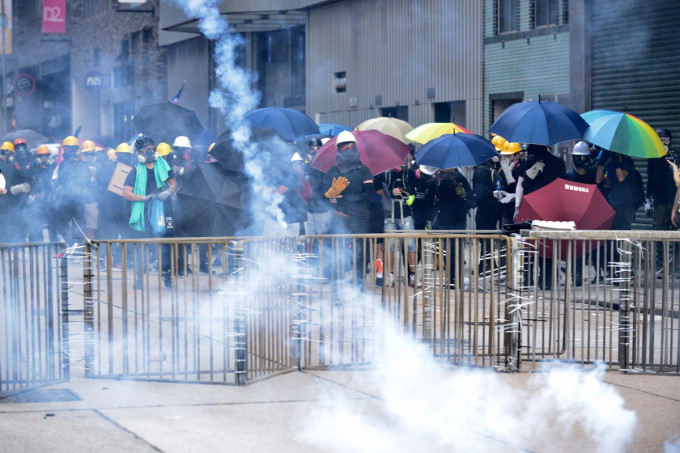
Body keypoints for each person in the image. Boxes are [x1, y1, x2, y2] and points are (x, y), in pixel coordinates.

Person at [322, 130, 374, 293]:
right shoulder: (332, 171)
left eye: (351, 146)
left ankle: (358, 290)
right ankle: (338, 291)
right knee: (338, 256)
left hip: (360, 220)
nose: (348, 149)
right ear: (338, 149)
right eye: (344, 147)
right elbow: (324, 196)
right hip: (339, 219)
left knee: (360, 257)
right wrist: (330, 195)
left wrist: (346, 198)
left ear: (356, 148)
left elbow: (369, 194)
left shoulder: (364, 170)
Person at [122, 134, 177, 288]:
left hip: (164, 207)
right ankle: (140, 277)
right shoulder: (135, 171)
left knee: (165, 241)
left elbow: (174, 184)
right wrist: (143, 198)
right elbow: (126, 193)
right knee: (143, 243)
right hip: (144, 209)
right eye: (145, 150)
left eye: (151, 149)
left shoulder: (164, 166)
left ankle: (166, 274)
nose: (149, 152)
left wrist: (166, 193)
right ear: (139, 152)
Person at [514, 144, 566, 290]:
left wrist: (517, 207)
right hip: (550, 208)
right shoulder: (556, 162)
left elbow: (523, 184)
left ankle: (528, 280)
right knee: (547, 245)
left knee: (529, 244)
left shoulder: (528, 162)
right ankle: (546, 281)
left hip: (532, 207)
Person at [375, 158, 419, 287]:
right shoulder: (383, 173)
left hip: (405, 213)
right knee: (390, 246)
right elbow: (378, 189)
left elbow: (416, 188)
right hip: (389, 214)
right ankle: (390, 274)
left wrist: (410, 195)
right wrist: (390, 191)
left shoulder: (409, 173)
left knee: (411, 244)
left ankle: (413, 275)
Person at [430, 167, 474, 289]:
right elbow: (470, 196)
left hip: (450, 221)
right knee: (455, 252)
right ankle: (454, 279)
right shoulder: (458, 178)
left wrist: (463, 194)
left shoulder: (437, 180)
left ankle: (452, 279)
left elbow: (429, 202)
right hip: (454, 220)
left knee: (450, 252)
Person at [646, 129, 677, 275]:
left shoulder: (676, 156)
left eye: (665, 140)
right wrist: (648, 198)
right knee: (659, 234)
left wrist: (669, 157)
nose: (663, 142)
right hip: (660, 201)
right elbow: (650, 180)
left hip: (675, 200)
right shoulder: (653, 157)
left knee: (677, 234)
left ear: (670, 141)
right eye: (659, 140)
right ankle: (662, 266)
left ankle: (676, 267)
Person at [53, 136, 90, 245]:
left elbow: (86, 180)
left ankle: (75, 247)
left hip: (78, 199)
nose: (66, 151)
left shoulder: (82, 164)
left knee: (78, 226)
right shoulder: (64, 164)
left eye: (68, 148)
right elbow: (60, 180)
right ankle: (71, 243)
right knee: (60, 224)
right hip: (65, 198)